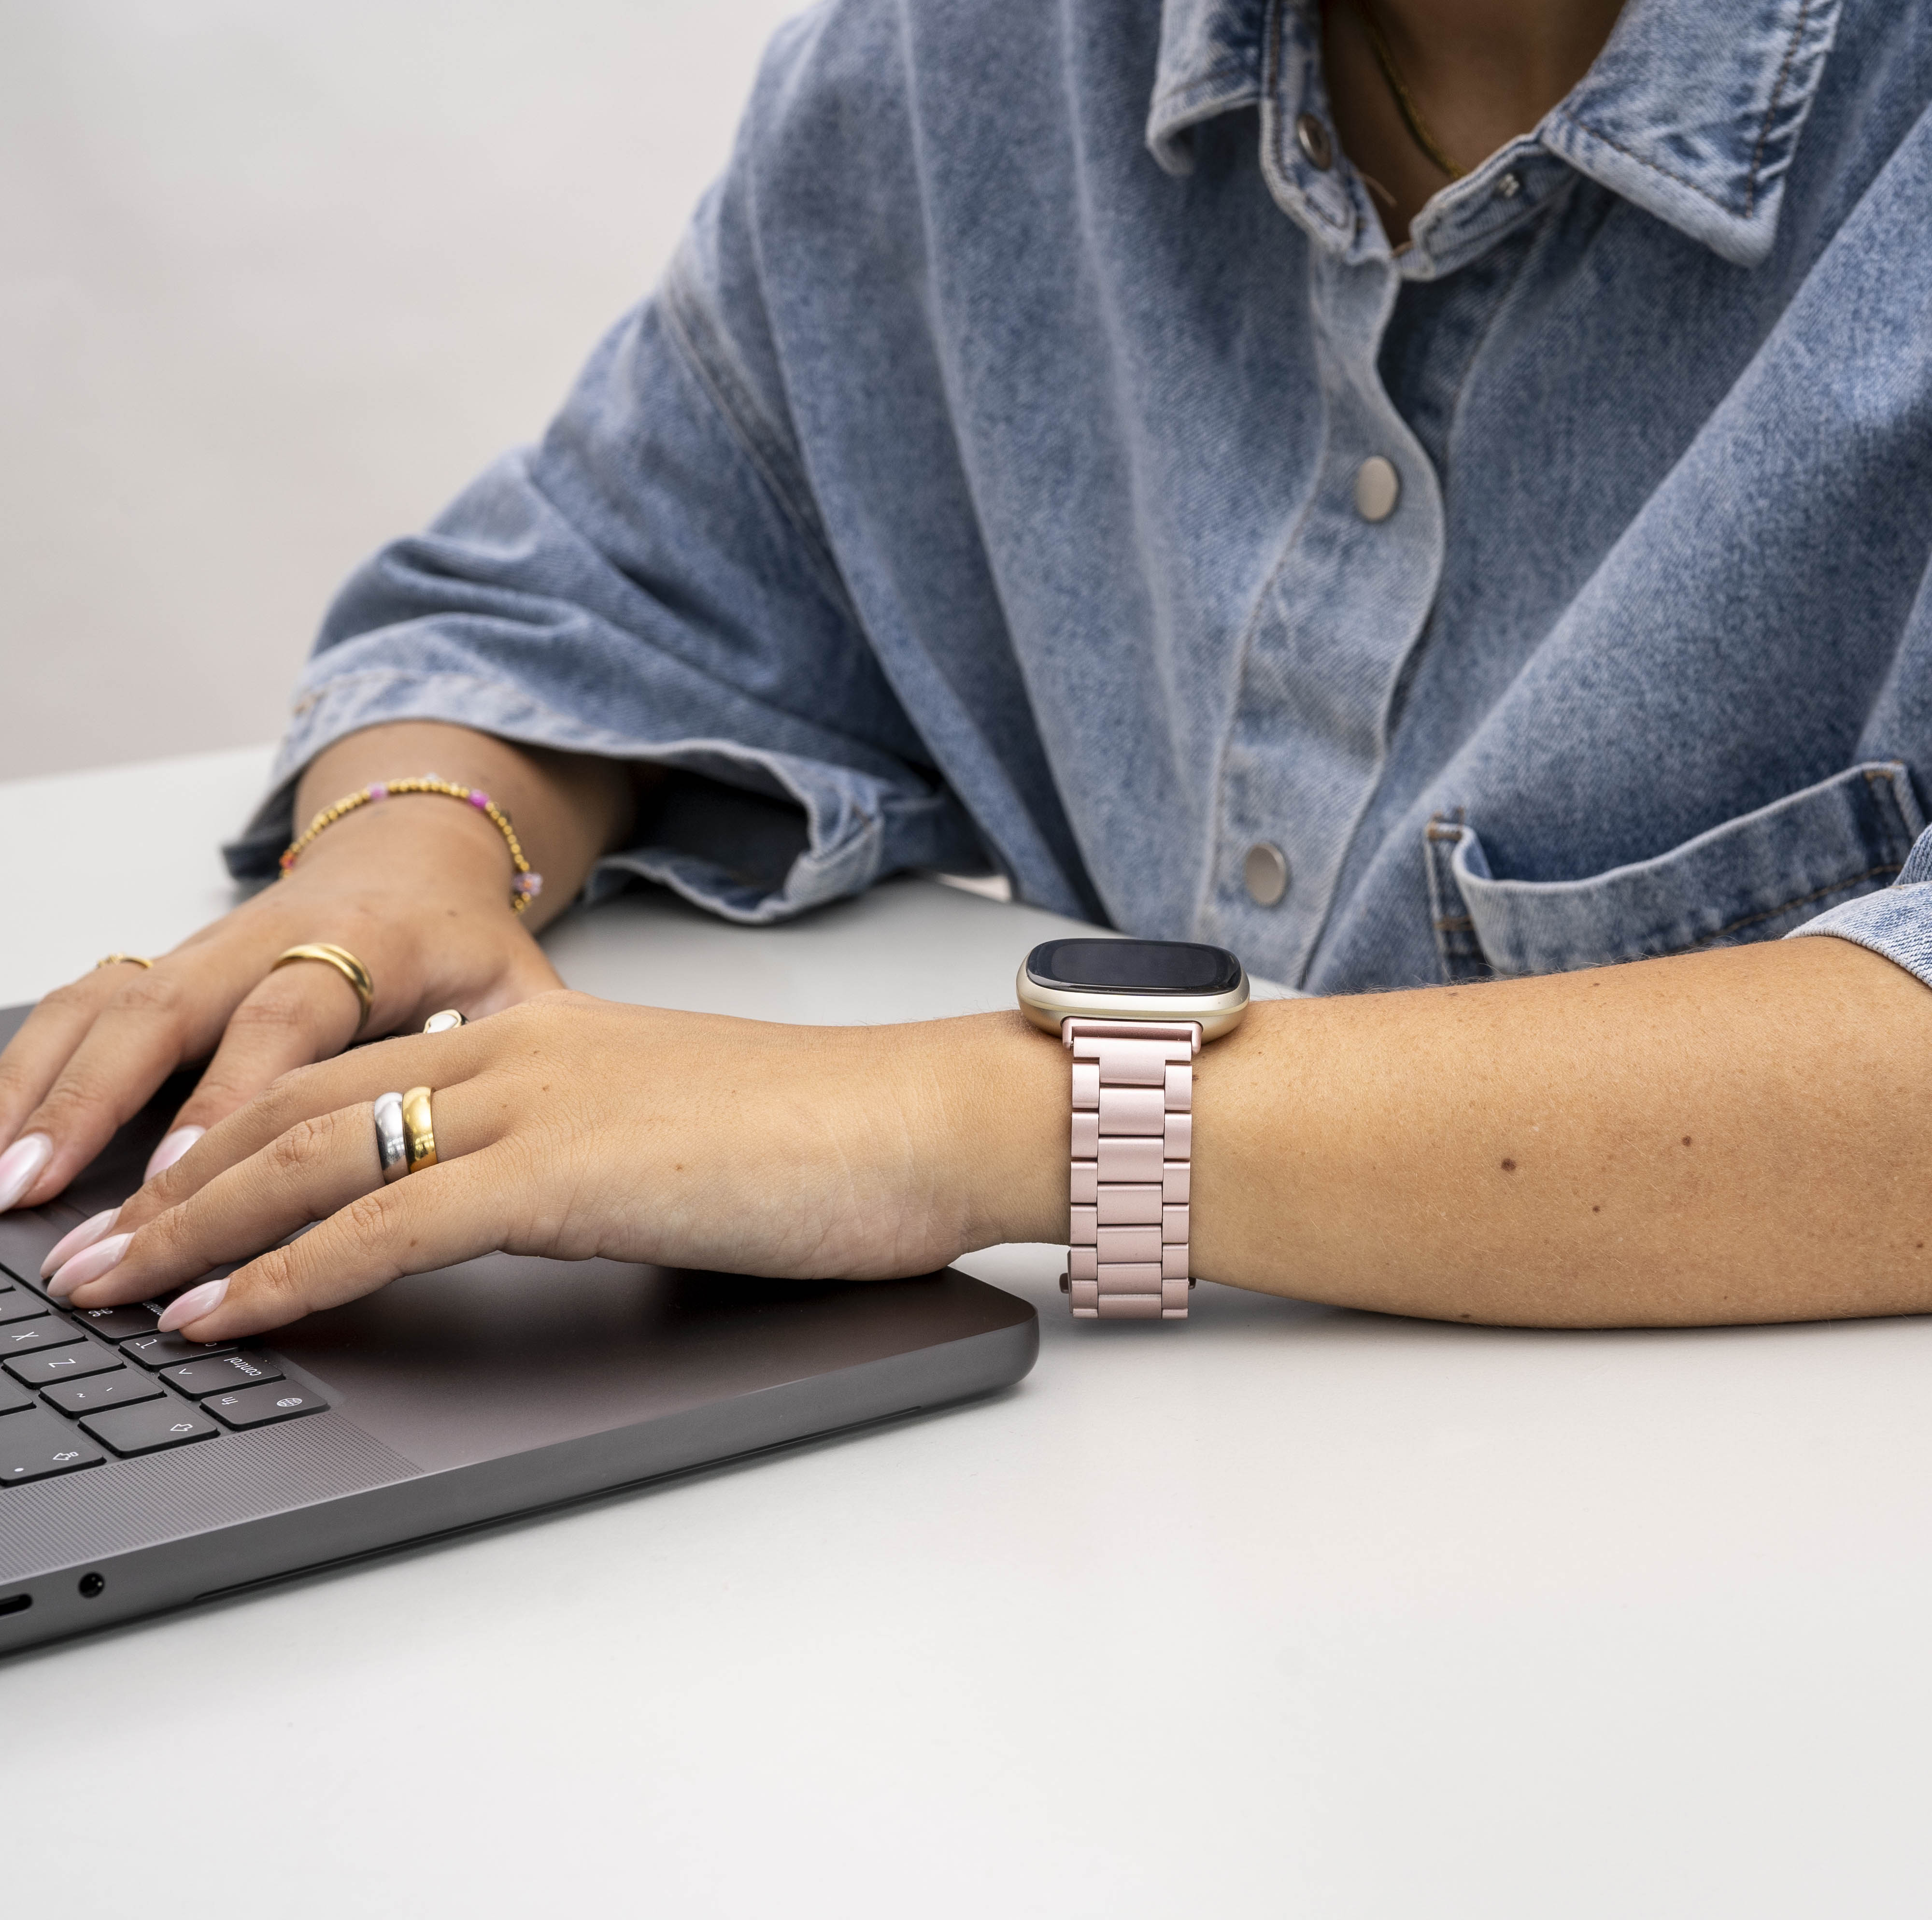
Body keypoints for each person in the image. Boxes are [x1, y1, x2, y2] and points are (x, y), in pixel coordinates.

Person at [6, 0, 1932, 1340]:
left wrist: (952, 1125)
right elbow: (599, 577)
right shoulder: (979, 61)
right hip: (1107, 1634)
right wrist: (402, 860)